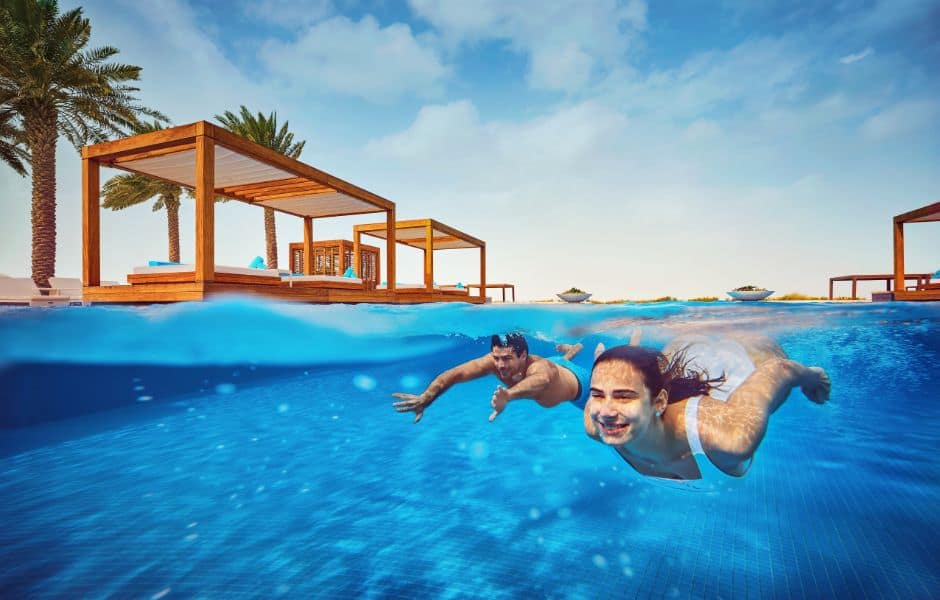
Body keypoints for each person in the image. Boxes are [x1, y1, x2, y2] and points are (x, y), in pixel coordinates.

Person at [584, 333, 830, 482]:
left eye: (624, 396)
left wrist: (814, 378)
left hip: (744, 362)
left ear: (659, 402)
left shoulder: (729, 439)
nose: (605, 412)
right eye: (597, 395)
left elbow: (780, 369)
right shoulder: (597, 424)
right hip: (684, 359)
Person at [392, 333, 590, 423]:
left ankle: (572, 350)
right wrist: (427, 397)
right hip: (556, 363)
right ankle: (570, 350)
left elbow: (542, 380)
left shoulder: (540, 367)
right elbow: (454, 374)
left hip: (581, 385)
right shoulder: (493, 362)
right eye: (496, 358)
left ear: (523, 355)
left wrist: (509, 395)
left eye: (506, 358)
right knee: (560, 360)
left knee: (560, 364)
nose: (500, 365)